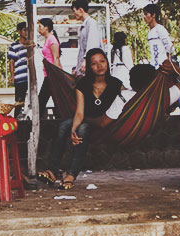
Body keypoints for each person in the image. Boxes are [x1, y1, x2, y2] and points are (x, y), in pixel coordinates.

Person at [37, 48, 122, 190]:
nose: (99, 66)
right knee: (64, 125)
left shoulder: (116, 84)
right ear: (89, 66)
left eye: (102, 61)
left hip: (104, 124)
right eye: (94, 63)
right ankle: (52, 171)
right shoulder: (83, 85)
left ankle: (71, 174)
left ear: (107, 63)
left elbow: (128, 102)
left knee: (82, 128)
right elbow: (79, 112)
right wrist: (73, 130)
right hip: (86, 119)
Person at [72, 0, 101, 77]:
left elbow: (92, 45)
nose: (74, 14)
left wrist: (86, 61)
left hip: (90, 66)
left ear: (80, 10)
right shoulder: (84, 25)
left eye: (74, 11)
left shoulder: (91, 24)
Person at [37, 18, 60, 117]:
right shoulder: (47, 39)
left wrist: (54, 75)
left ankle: (40, 123)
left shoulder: (52, 39)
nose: (39, 28)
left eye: (40, 26)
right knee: (56, 100)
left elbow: (56, 57)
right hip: (49, 74)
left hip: (52, 75)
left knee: (41, 100)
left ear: (46, 28)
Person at [7, 22, 29, 117]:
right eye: (24, 30)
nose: (26, 32)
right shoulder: (14, 46)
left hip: (30, 77)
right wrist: (12, 75)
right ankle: (16, 120)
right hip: (20, 77)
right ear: (19, 31)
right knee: (19, 101)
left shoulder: (30, 45)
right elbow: (11, 62)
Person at [143, 3, 173, 69]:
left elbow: (170, 47)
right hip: (153, 66)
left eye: (146, 14)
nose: (144, 17)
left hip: (162, 67)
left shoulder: (160, 29)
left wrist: (167, 61)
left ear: (153, 15)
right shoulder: (150, 32)